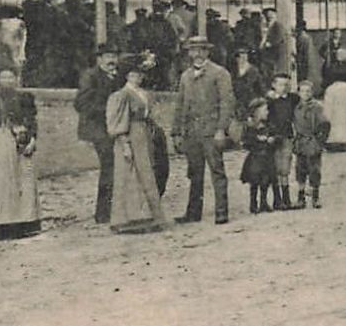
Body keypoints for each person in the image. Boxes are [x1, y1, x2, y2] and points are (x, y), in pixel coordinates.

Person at [174, 35, 234, 224]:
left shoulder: (219, 73)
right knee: (194, 172)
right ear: (189, 53)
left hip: (211, 130)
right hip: (192, 132)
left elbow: (227, 102)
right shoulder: (185, 76)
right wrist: (176, 131)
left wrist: (221, 129)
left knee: (217, 170)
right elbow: (180, 105)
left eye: (201, 50)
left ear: (208, 52)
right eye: (193, 50)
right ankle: (193, 212)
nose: (197, 54)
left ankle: (221, 211)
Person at [105, 62, 171, 234]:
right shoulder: (121, 95)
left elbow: (150, 116)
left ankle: (150, 217)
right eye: (134, 74)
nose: (138, 77)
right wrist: (125, 143)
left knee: (147, 174)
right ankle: (128, 220)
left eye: (140, 74)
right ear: (127, 76)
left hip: (144, 136)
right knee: (130, 175)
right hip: (130, 136)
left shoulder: (144, 94)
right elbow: (117, 123)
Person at [0, 68, 40, 240]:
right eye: (3, 77)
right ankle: (1, 226)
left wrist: (32, 140)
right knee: (1, 186)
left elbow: (32, 122)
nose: (7, 81)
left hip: (19, 145)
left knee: (23, 185)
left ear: (16, 79)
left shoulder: (25, 98)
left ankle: (23, 224)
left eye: (10, 77)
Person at [74, 43, 122, 224]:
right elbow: (81, 104)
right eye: (108, 56)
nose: (112, 60)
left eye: (114, 56)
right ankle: (103, 213)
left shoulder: (116, 76)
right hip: (97, 128)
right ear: (99, 59)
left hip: (112, 126)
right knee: (109, 165)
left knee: (115, 166)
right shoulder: (90, 76)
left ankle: (114, 208)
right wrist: (108, 111)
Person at [292, 77, 331, 208]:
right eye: (303, 91)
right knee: (300, 169)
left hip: (313, 141)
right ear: (298, 93)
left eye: (308, 91)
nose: (306, 94)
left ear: (312, 93)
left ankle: (315, 197)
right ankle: (301, 197)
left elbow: (325, 125)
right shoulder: (296, 107)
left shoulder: (317, 107)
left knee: (314, 169)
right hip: (300, 142)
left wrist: (320, 141)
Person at [266, 72, 298, 210]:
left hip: (286, 137)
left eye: (286, 84)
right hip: (272, 139)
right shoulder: (269, 101)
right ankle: (277, 199)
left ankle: (286, 199)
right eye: (280, 84)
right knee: (273, 168)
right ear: (274, 85)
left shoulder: (293, 99)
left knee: (285, 168)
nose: (284, 87)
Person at [239, 98, 277, 215]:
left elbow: (276, 135)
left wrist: (272, 139)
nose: (267, 112)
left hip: (267, 157)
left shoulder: (269, 124)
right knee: (254, 181)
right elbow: (245, 142)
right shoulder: (250, 127)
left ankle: (264, 202)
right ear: (257, 111)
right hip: (255, 158)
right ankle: (253, 203)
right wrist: (256, 139)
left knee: (266, 180)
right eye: (265, 110)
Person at [261, 7, 291, 78]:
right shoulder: (268, 26)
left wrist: (269, 44)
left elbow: (279, 38)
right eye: (268, 15)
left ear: (275, 15)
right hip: (270, 55)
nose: (269, 17)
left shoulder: (278, 26)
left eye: (272, 15)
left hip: (276, 54)